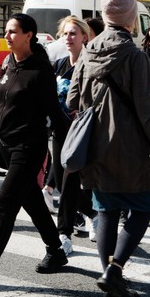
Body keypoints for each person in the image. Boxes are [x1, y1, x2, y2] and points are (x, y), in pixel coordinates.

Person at [68, 0, 150, 297]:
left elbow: (72, 102)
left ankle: (110, 290)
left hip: (96, 149)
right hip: (129, 149)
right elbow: (146, 110)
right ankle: (114, 273)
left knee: (106, 213)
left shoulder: (88, 52)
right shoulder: (135, 56)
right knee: (142, 207)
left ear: (104, 18)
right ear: (132, 20)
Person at [0, 12, 71, 289]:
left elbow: (53, 110)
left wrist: (72, 142)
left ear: (28, 36)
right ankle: (56, 251)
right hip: (8, 145)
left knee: (5, 203)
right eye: (6, 31)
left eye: (12, 32)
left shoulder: (40, 70)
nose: (6, 37)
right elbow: (2, 106)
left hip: (29, 146)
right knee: (31, 200)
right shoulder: (9, 63)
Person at [48, 16, 95, 254]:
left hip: (80, 133)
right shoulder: (59, 65)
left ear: (84, 37)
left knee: (68, 184)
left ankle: (63, 235)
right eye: (65, 33)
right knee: (60, 179)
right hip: (59, 130)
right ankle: (94, 213)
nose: (68, 38)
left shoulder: (89, 66)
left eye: (73, 33)